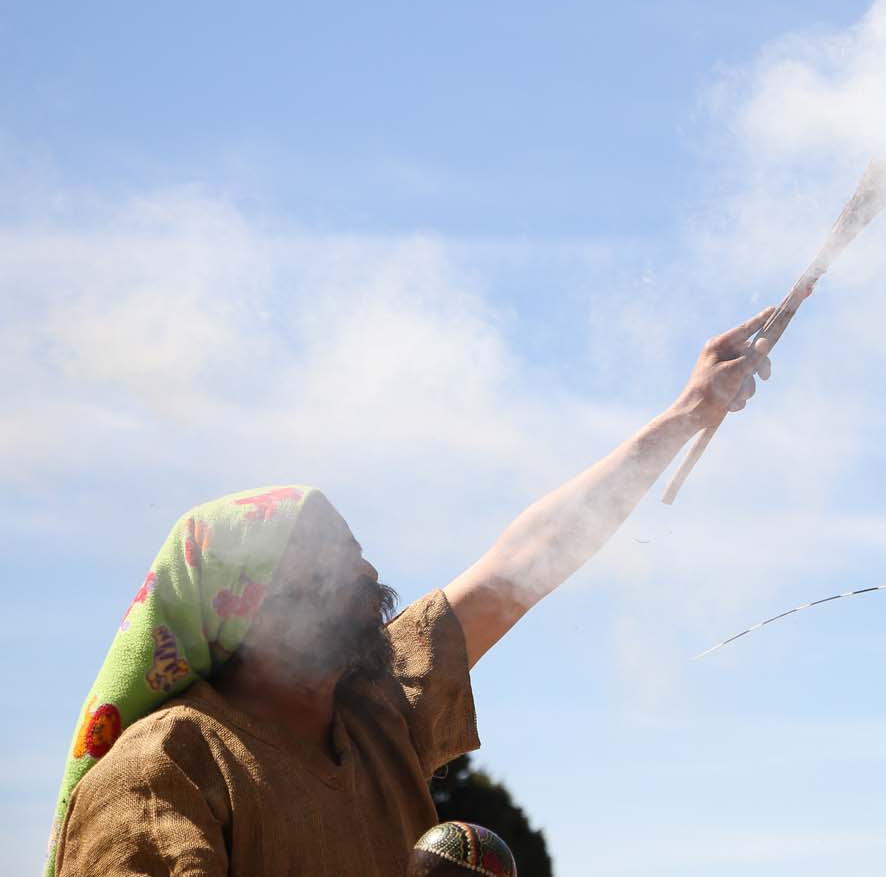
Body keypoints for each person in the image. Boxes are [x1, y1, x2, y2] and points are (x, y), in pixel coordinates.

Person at [46, 310, 776, 876]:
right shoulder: (162, 770)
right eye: (328, 564)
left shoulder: (374, 711)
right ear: (250, 611)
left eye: (358, 554)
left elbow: (522, 565)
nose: (366, 575)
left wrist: (686, 412)